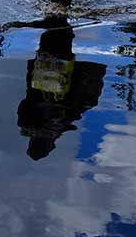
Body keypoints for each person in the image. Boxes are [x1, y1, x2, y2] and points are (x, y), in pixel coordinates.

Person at [17, 20, 107, 160]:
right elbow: (23, 106)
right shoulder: (36, 124)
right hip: (53, 78)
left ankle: (58, 17)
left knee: (55, 40)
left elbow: (23, 106)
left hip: (52, 78)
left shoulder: (32, 124)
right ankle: (59, 17)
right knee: (55, 40)